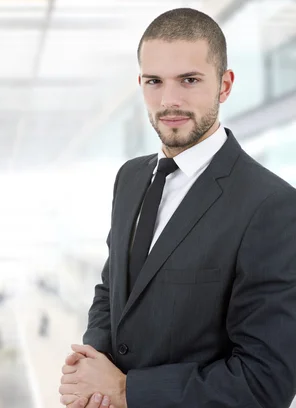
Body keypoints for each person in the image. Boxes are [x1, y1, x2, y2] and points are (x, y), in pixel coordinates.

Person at [59, 7, 296, 408]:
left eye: (189, 80)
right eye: (154, 82)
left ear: (224, 85)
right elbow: (112, 290)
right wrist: (91, 366)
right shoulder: (130, 178)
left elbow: (265, 381)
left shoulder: (271, 206)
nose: (169, 100)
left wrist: (125, 390)